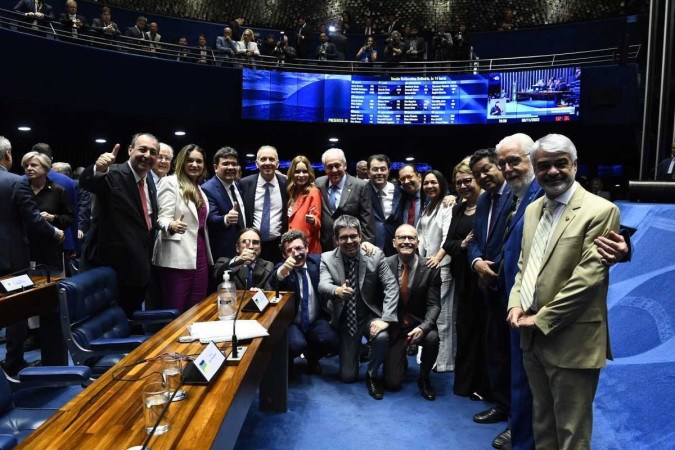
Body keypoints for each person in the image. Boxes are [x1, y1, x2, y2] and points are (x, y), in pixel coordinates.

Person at [507, 133, 620, 449]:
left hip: (572, 340)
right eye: (544, 166)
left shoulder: (601, 210)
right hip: (531, 339)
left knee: (572, 433)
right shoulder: (532, 209)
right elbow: (524, 266)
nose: (552, 172)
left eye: (561, 164)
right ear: (535, 169)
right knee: (542, 423)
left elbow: (587, 280)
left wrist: (539, 319)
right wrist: (515, 304)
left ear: (575, 165)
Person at [0, 137, 64, 376]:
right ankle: (13, 362)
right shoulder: (17, 182)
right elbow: (33, 219)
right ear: (8, 156)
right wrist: (55, 233)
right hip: (11, 258)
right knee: (16, 310)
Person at [318, 215, 399, 399]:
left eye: (353, 236)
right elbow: (322, 285)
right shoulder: (327, 258)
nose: (349, 241)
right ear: (336, 240)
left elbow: (391, 285)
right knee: (347, 377)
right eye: (344, 237)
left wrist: (386, 319)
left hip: (369, 314)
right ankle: (359, 351)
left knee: (382, 336)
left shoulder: (375, 255)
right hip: (346, 319)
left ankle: (372, 374)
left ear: (361, 236)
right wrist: (336, 290)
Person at [80, 133, 159, 317]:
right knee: (108, 328)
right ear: (130, 150)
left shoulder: (148, 181)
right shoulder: (113, 173)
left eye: (153, 152)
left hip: (137, 271)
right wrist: (98, 169)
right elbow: (89, 182)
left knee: (132, 323)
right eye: (142, 149)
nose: (147, 155)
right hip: (110, 270)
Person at [467, 148, 513, 427]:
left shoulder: (519, 196)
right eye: (477, 174)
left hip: (510, 285)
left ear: (500, 166)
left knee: (513, 354)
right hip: (487, 287)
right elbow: (474, 239)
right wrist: (476, 262)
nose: (483, 177)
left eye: (486, 169)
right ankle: (502, 404)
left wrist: (492, 266)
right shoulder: (483, 200)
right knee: (494, 348)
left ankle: (516, 415)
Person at [442, 157, 489, 401]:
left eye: (467, 181)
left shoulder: (488, 206)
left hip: (483, 280)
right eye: (459, 183)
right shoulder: (458, 208)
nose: (463, 186)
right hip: (462, 279)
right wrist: (462, 244)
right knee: (466, 331)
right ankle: (465, 383)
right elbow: (448, 243)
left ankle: (483, 385)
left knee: (484, 334)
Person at [152, 144, 212, 312]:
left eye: (199, 161)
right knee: (175, 307)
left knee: (196, 306)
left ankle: (191, 339)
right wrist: (171, 225)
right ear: (181, 163)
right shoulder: (170, 182)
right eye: (190, 160)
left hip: (199, 254)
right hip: (176, 255)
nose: (194, 165)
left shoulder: (199, 188)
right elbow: (161, 217)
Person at [271, 230, 339, 375]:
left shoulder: (318, 262)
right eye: (289, 250)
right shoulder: (282, 268)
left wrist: (365, 245)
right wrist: (284, 270)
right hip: (292, 323)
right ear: (284, 255)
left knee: (332, 340)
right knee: (296, 345)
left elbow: (339, 254)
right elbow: (275, 278)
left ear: (307, 248)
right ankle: (287, 362)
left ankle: (312, 356)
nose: (295, 253)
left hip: (315, 320)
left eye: (299, 248)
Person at [385, 224, 441, 400]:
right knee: (392, 384)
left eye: (411, 238)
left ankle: (424, 378)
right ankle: (397, 358)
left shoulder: (431, 267)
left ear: (417, 242)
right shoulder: (385, 265)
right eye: (402, 238)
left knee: (432, 338)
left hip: (418, 323)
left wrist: (424, 328)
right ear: (394, 242)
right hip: (395, 325)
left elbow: (434, 305)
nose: (407, 241)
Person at [417, 170, 455, 372]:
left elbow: (449, 236)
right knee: (430, 312)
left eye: (434, 182)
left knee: (443, 315)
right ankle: (431, 356)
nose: (429, 186)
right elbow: (421, 237)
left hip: (442, 266)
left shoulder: (448, 205)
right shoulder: (428, 207)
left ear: (441, 184)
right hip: (428, 266)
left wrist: (438, 258)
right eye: (426, 183)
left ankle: (445, 361)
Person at [21, 151, 73, 271]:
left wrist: (53, 217)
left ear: (45, 168)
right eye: (26, 166)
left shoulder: (58, 191)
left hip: (49, 248)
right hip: (24, 247)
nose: (28, 168)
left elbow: (69, 218)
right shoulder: (20, 188)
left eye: (33, 165)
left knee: (49, 286)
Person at [316, 148, 374, 252]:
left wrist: (366, 244)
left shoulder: (360, 186)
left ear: (345, 165)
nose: (334, 170)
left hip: (352, 244)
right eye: (330, 167)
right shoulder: (319, 184)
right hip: (326, 246)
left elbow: (367, 220)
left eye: (337, 165)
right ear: (324, 168)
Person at [239, 145, 288, 262]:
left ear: (277, 163)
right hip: (252, 245)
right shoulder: (244, 184)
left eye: (271, 159)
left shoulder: (286, 184)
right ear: (256, 163)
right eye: (263, 159)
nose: (267, 163)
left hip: (278, 245)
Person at [202, 146, 246, 261]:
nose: (230, 167)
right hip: (223, 253)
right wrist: (226, 219)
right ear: (216, 167)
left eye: (234, 164)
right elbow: (210, 219)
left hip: (243, 249)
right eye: (226, 164)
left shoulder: (238, 185)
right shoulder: (207, 189)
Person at [367, 154, 403, 256]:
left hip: (395, 248)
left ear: (388, 171)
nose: (379, 173)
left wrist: (448, 196)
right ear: (369, 172)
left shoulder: (400, 191)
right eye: (375, 169)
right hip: (370, 247)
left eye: (383, 169)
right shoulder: (361, 191)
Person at [286, 155, 322, 254]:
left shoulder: (313, 191)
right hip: (292, 246)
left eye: (305, 171)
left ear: (309, 173)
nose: (301, 175)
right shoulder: (291, 192)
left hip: (308, 247)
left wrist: (313, 221)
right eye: (297, 172)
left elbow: (317, 222)